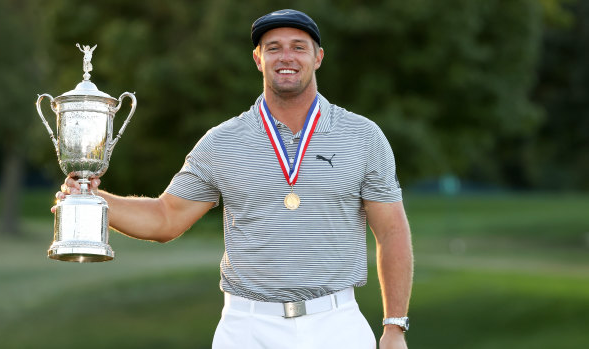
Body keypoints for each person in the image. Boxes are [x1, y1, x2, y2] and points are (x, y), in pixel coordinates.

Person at [55, 9, 413, 349]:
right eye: (273, 48)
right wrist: (92, 199)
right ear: (258, 59)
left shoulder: (362, 136)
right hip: (247, 327)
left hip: (336, 323)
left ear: (318, 57)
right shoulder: (221, 142)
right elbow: (166, 217)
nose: (286, 57)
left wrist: (394, 326)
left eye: (298, 48)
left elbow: (392, 232)